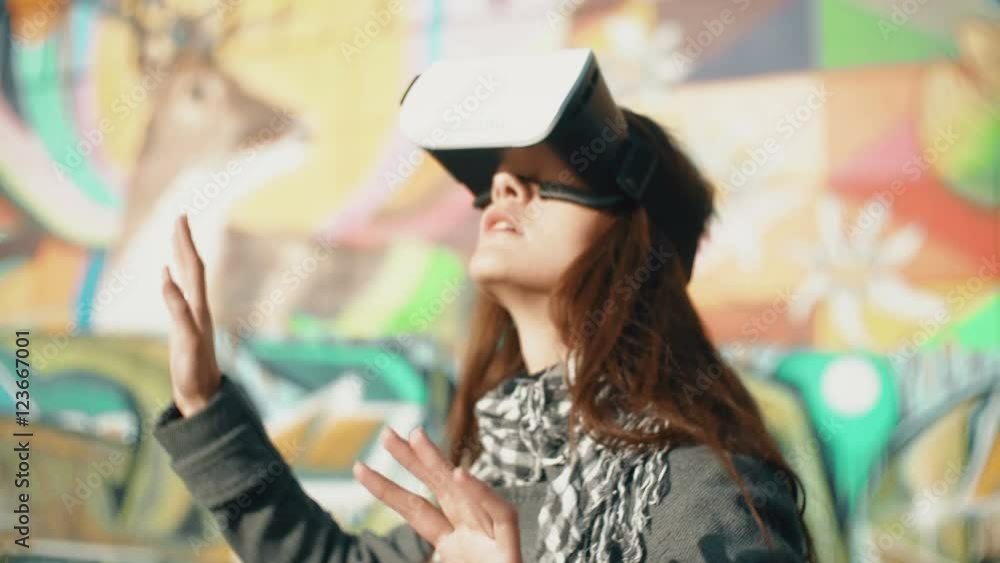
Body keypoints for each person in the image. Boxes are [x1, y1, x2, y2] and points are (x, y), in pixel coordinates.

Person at [155, 108, 814, 563]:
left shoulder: (707, 492)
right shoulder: (497, 475)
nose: (501, 185)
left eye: (546, 179)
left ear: (635, 231)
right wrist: (205, 402)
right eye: (501, 178)